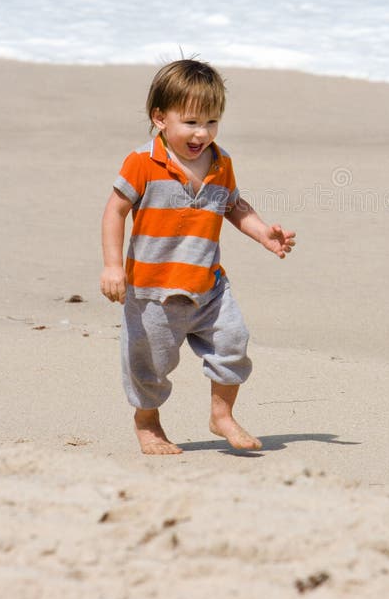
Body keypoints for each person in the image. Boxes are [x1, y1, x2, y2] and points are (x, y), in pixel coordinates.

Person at [100, 58, 295, 455]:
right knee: (149, 366)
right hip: (153, 293)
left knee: (233, 342)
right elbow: (115, 211)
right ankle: (148, 423)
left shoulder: (221, 163)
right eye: (190, 122)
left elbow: (234, 206)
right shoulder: (142, 162)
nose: (201, 133)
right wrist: (112, 265)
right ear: (160, 118)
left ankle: (221, 414)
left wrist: (263, 234)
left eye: (211, 122)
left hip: (209, 287)